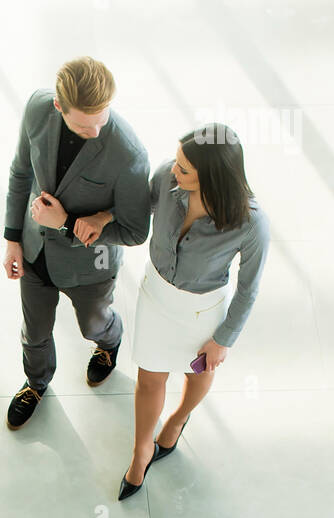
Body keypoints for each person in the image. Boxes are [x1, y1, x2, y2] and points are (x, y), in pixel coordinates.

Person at [119, 124, 270, 499]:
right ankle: (142, 451)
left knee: (197, 370)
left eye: (185, 169)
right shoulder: (167, 177)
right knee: (149, 379)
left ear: (214, 178)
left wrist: (223, 340)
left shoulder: (252, 223)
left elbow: (249, 289)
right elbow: (135, 216)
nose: (174, 171)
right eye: (178, 162)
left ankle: (179, 417)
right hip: (156, 297)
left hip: (202, 313)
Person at [2, 56, 150, 429]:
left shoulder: (129, 153)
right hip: (35, 251)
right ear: (58, 106)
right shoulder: (37, 108)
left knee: (93, 326)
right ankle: (36, 383)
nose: (97, 131)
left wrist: (68, 222)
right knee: (34, 332)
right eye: (85, 126)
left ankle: (110, 342)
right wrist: (12, 239)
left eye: (102, 119)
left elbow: (135, 230)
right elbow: (21, 172)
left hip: (91, 265)